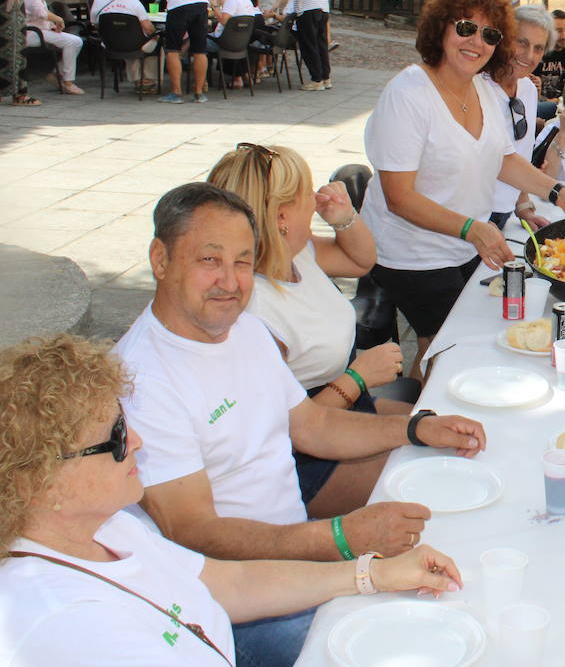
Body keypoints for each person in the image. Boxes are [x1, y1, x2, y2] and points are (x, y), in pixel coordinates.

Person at [115, 182, 489, 663]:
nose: (230, 282)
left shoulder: (243, 328)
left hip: (296, 558)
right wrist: (335, 537)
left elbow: (311, 426)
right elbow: (191, 531)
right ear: (161, 260)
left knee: (463, 565)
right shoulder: (141, 379)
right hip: (233, 604)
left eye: (243, 261)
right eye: (209, 260)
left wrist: (415, 428)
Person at [0, 333, 466, 667]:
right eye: (116, 436)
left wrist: (374, 572)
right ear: (41, 477)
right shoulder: (61, 620)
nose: (138, 441)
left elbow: (232, 583)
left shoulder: (108, 527)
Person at [361, 0, 565, 375]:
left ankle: (432, 414)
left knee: (451, 344)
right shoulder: (408, 94)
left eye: (489, 34)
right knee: (446, 348)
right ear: (441, 28)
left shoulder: (483, 90)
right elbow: (398, 196)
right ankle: (427, 420)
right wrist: (473, 228)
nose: (477, 42)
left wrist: (558, 192)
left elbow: (504, 160)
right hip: (411, 254)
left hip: (463, 246)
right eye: (465, 28)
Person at [208, 144, 411, 503]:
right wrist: (358, 377)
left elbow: (361, 261)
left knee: (453, 426)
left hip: (343, 405)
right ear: (282, 216)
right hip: (297, 458)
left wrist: (344, 217)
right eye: (307, 193)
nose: (316, 198)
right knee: (425, 475)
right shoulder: (253, 309)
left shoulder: (295, 252)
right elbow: (283, 429)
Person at [487, 4, 554, 230]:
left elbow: (521, 152)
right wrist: (558, 192)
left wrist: (523, 206)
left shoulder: (528, 89)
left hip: (503, 214)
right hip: (473, 217)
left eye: (538, 48)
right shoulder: (477, 88)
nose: (529, 56)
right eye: (521, 43)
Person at [91, 0, 159, 93]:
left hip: (110, 44)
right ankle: (147, 80)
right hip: (135, 44)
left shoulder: (97, 1)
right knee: (155, 41)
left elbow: (95, 24)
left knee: (127, 38)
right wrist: (156, 33)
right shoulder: (133, 2)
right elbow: (148, 28)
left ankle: (136, 79)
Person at [22, 0, 85, 95]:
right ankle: (67, 81)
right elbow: (41, 13)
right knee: (73, 42)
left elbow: (43, 14)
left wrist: (53, 25)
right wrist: (59, 19)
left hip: (41, 30)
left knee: (75, 41)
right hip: (32, 33)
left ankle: (59, 74)